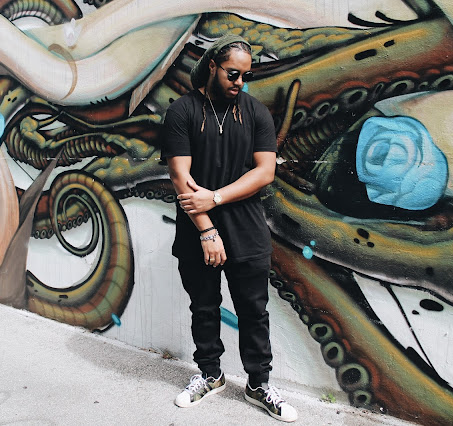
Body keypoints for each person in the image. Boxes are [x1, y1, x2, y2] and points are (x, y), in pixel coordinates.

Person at [161, 34, 298, 422]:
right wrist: (207, 230)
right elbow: (180, 178)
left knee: (254, 310)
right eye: (232, 74)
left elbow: (265, 172)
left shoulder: (255, 113)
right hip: (196, 228)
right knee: (204, 306)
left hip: (247, 228)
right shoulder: (182, 112)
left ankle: (258, 384)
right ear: (212, 66)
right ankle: (210, 374)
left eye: (245, 76)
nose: (239, 82)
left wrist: (216, 198)